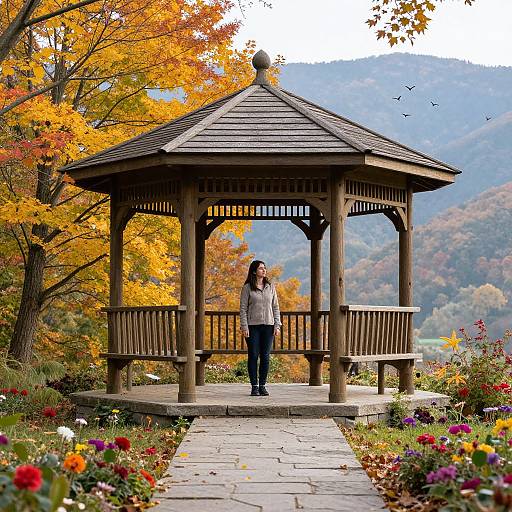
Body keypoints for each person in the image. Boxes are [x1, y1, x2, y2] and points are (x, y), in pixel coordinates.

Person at [239, 260, 281, 396]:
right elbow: (243, 309)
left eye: (264, 268)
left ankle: (262, 385)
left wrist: (277, 324)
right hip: (252, 327)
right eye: (261, 268)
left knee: (265, 356)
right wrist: (244, 326)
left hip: (268, 326)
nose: (264, 270)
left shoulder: (270, 286)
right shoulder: (247, 288)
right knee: (253, 355)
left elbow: (275, 307)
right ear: (254, 271)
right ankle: (254, 386)